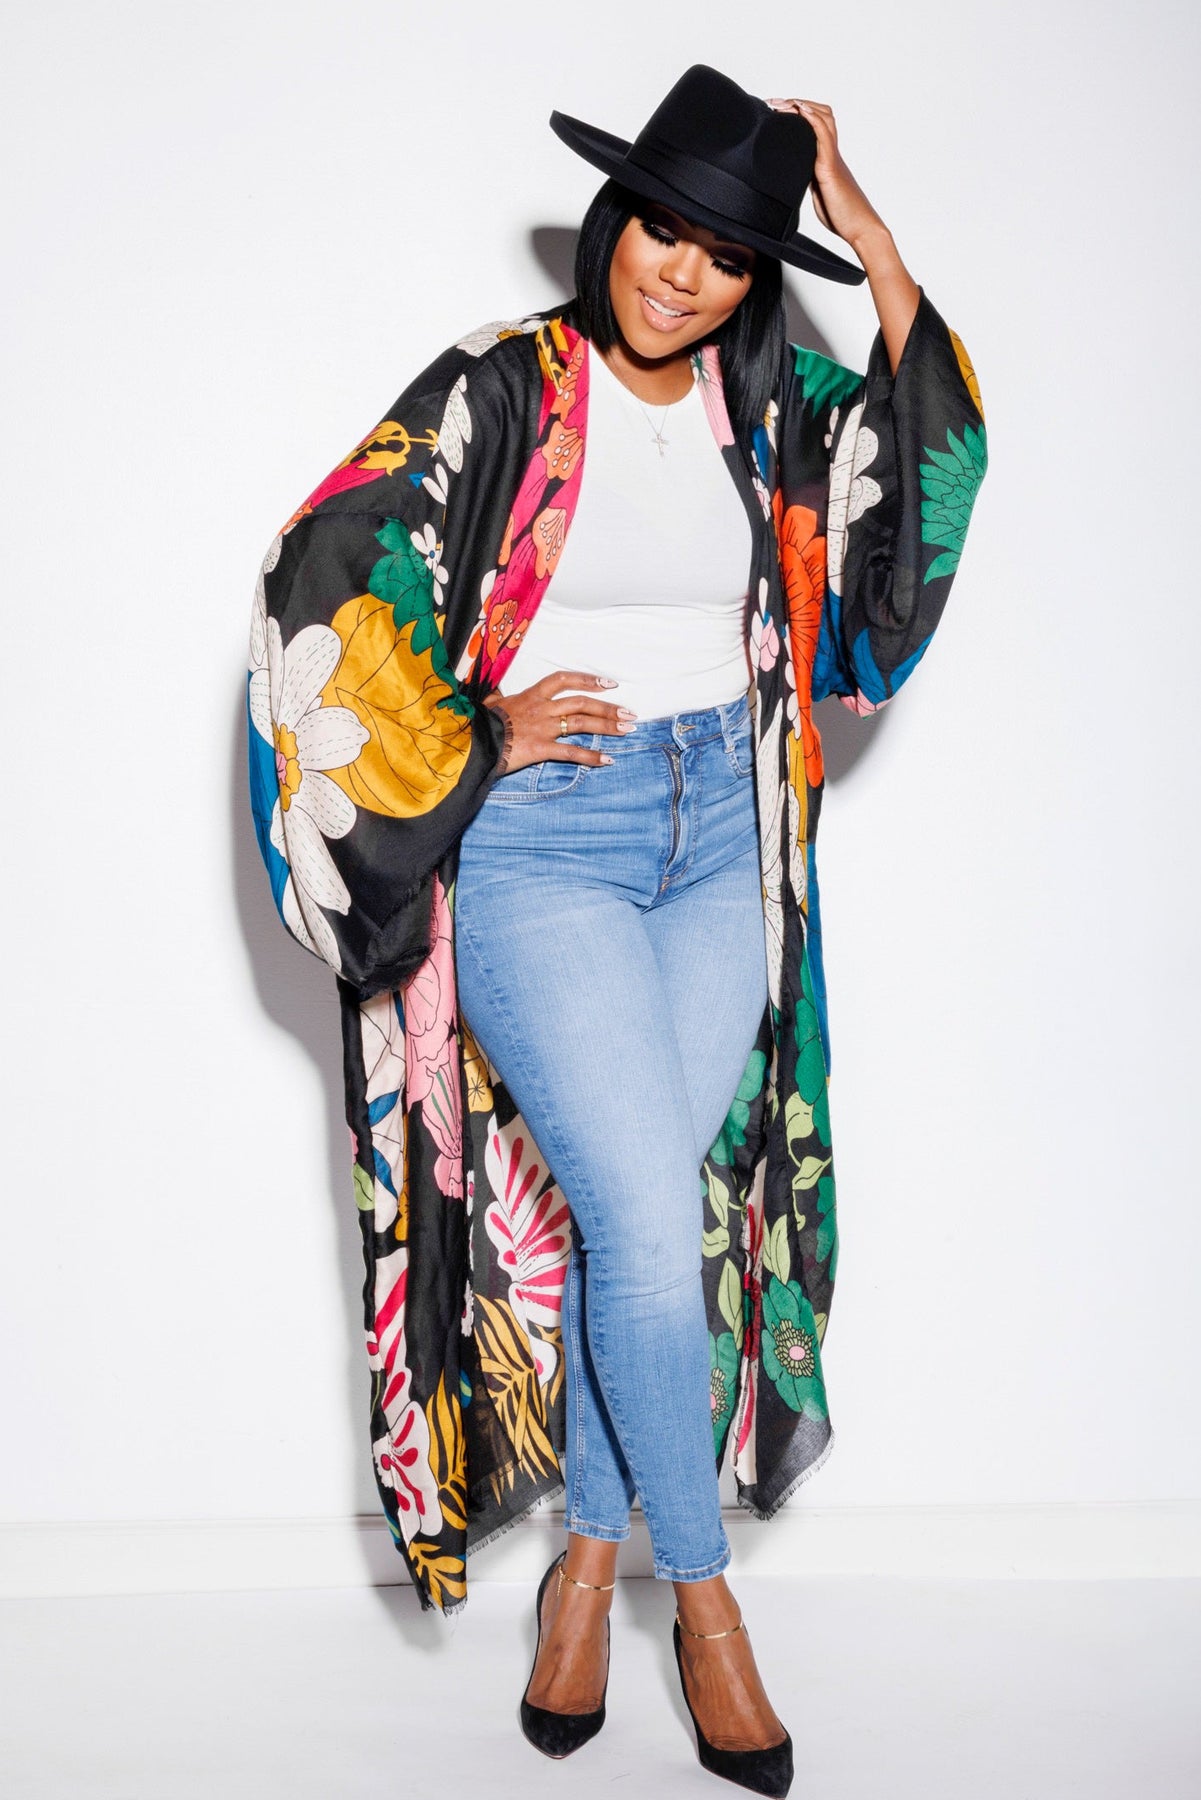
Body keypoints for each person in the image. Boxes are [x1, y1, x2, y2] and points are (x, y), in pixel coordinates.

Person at [247, 63, 986, 1799]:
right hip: (548, 845)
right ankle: (703, 1610)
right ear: (614, 222)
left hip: (720, 837)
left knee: (641, 1221)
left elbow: (921, 459)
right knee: (652, 1225)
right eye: (663, 230)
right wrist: (472, 722)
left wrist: (863, 230)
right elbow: (322, 570)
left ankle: (584, 1568)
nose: (684, 274)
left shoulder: (766, 398)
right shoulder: (502, 387)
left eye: (729, 254)